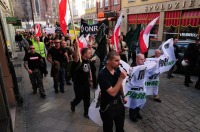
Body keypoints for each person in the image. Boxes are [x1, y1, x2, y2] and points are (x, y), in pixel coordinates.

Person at [98, 51, 127, 132]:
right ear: (109, 61)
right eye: (116, 61)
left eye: (119, 61)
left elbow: (119, 84)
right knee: (108, 128)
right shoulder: (103, 74)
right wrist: (121, 78)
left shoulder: (116, 70)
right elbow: (112, 92)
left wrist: (123, 96)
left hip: (119, 104)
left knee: (120, 128)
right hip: (107, 107)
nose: (119, 63)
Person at [70, 40, 92, 118]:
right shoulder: (78, 61)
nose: (90, 54)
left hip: (86, 83)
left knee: (87, 99)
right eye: (89, 53)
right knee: (79, 98)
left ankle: (86, 113)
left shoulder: (88, 60)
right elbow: (75, 57)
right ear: (84, 54)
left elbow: (89, 69)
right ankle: (73, 103)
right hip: (78, 84)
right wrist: (76, 46)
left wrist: (90, 78)